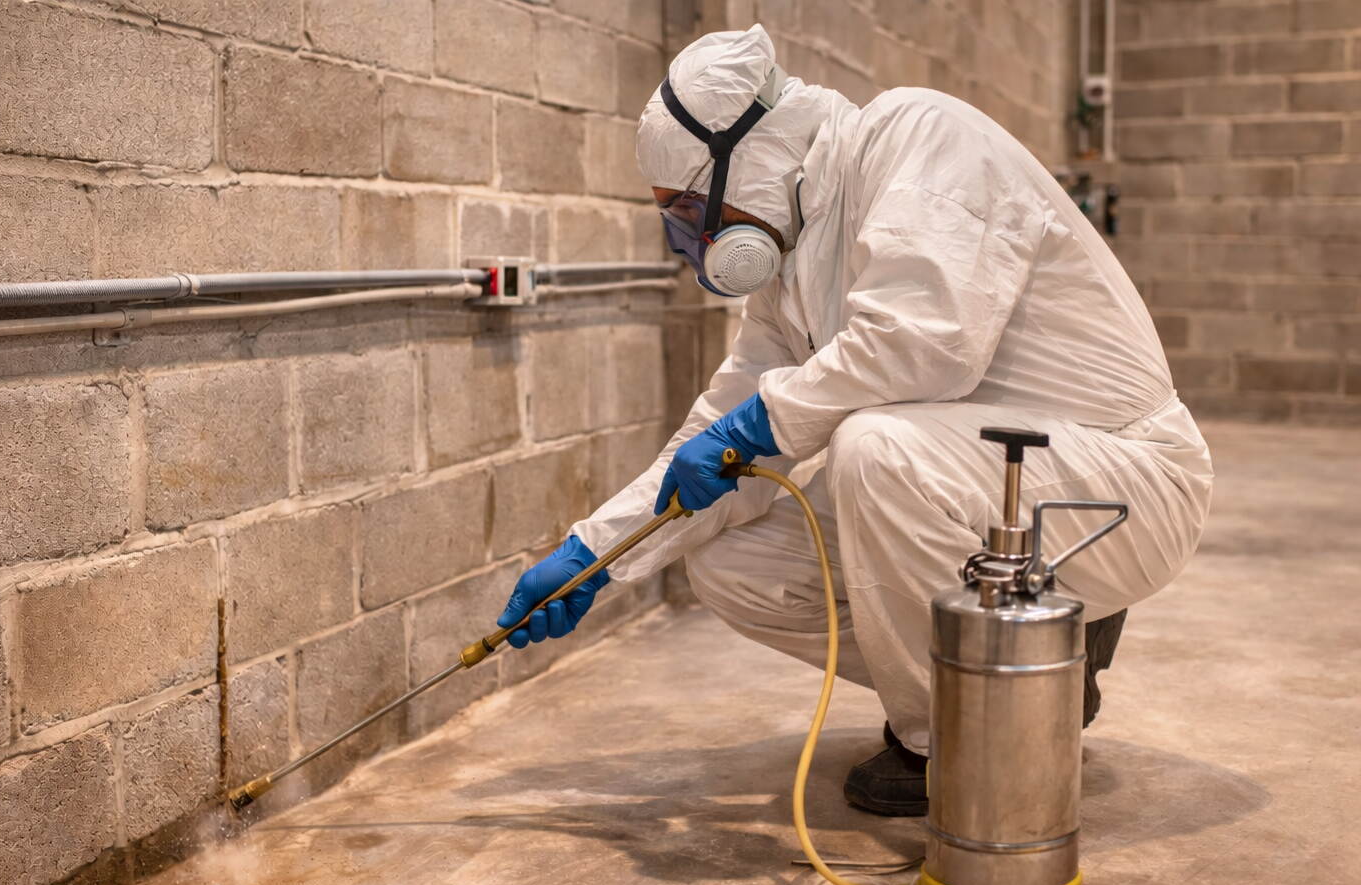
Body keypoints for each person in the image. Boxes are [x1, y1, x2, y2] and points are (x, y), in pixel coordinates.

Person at [494, 24, 1213, 816]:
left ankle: (960, 743)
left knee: (872, 450)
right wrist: (594, 554)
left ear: (751, 156)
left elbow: (923, 347)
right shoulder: (792, 268)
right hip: (989, 482)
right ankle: (1026, 681)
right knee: (736, 565)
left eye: (692, 208)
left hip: (1118, 485)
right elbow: (721, 429)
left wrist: (759, 426)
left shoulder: (918, 136)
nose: (693, 239)